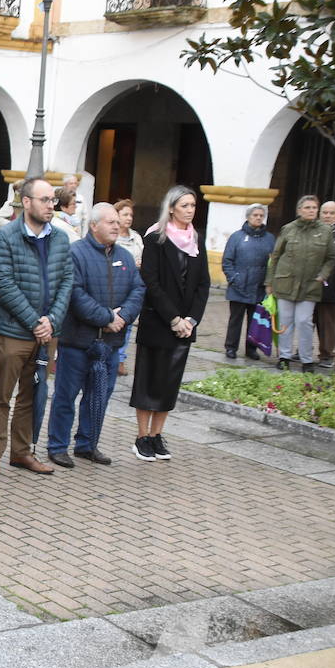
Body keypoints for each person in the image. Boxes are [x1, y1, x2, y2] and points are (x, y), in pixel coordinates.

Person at [0, 177, 73, 478]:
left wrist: (52, 321)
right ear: (27, 202)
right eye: (45, 200)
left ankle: (22, 452)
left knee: (31, 394)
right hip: (13, 332)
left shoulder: (60, 238)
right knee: (2, 394)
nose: (51, 206)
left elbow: (66, 282)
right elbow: (4, 285)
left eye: (53, 201)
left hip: (47, 334)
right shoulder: (6, 236)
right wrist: (35, 322)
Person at [46, 203, 144, 468]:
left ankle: (87, 444)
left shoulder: (124, 256)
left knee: (99, 395)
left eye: (117, 222)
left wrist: (123, 318)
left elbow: (138, 290)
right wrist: (107, 318)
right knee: (66, 396)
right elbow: (75, 294)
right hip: (78, 341)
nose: (116, 226)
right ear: (93, 225)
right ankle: (57, 446)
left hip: (111, 343)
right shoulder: (75, 253)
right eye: (110, 222)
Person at [131, 185, 210, 461]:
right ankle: (142, 436)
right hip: (158, 321)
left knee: (169, 382)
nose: (190, 210)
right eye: (185, 205)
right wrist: (173, 318)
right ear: (172, 208)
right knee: (148, 380)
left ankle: (156, 435)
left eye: (193, 206)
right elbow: (151, 281)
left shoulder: (196, 240)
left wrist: (190, 319)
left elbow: (203, 285)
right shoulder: (155, 238)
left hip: (184, 327)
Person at [266, 194, 335, 373]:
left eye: (314, 208)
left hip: (310, 285)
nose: (311, 211)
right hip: (285, 282)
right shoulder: (288, 229)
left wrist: (322, 276)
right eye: (307, 207)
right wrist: (269, 282)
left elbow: (331, 258)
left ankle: (306, 360)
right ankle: (284, 357)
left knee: (304, 321)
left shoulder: (325, 231)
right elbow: (275, 256)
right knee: (286, 322)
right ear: (299, 210)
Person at [221, 203, 275, 361]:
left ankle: (251, 349)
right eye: (255, 215)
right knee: (235, 320)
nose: (258, 218)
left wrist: (268, 283)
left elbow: (274, 261)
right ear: (248, 217)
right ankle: (231, 347)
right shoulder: (236, 237)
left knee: (255, 321)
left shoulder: (270, 239)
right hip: (239, 286)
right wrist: (234, 278)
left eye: (261, 215)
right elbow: (227, 261)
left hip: (258, 287)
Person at [113, 199, 144, 376]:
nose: (129, 218)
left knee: (128, 322)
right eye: (125, 214)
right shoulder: (113, 236)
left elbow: (143, 255)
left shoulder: (136, 237)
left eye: (131, 215)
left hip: (132, 285)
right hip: (116, 284)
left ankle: (121, 359)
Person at [315, 200, 335, 368]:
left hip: (332, 288)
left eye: (331, 213)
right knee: (306, 320)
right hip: (310, 286)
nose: (327, 216)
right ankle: (302, 350)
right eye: (324, 213)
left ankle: (326, 354)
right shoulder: (313, 231)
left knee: (327, 323)